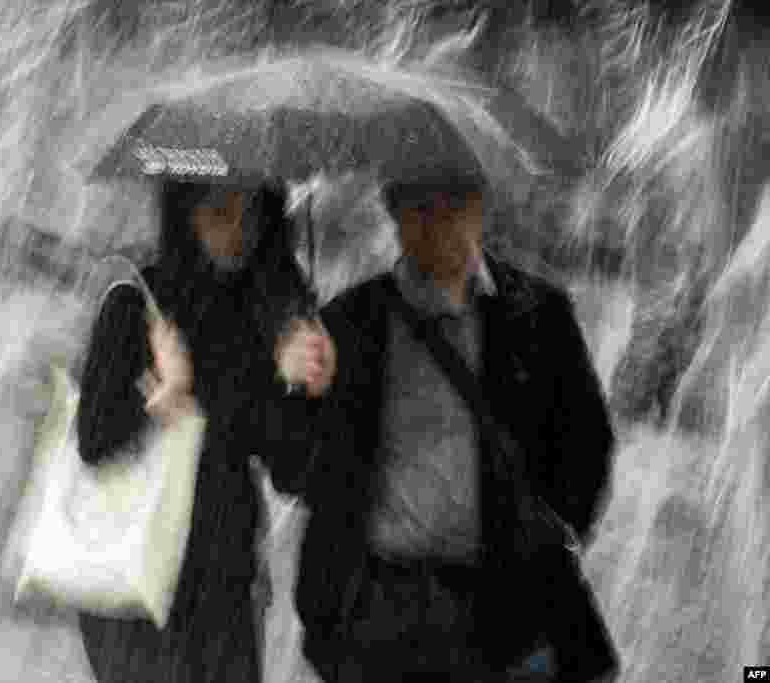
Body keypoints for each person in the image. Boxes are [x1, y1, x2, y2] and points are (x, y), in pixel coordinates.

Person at [292, 171, 618, 682]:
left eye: (454, 204)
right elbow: (300, 476)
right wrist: (307, 393)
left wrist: (548, 537)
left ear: (480, 208)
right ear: (394, 212)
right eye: (420, 205)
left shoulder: (537, 314)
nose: (439, 223)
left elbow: (588, 442)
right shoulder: (349, 324)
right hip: (379, 611)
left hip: (503, 605)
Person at [75, 179, 335, 683]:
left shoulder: (269, 314)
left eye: (251, 211)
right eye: (217, 209)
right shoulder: (138, 302)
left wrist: (304, 388)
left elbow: (293, 474)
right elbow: (94, 440)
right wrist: (156, 397)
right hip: (139, 583)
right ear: (184, 212)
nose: (237, 230)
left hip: (225, 582)